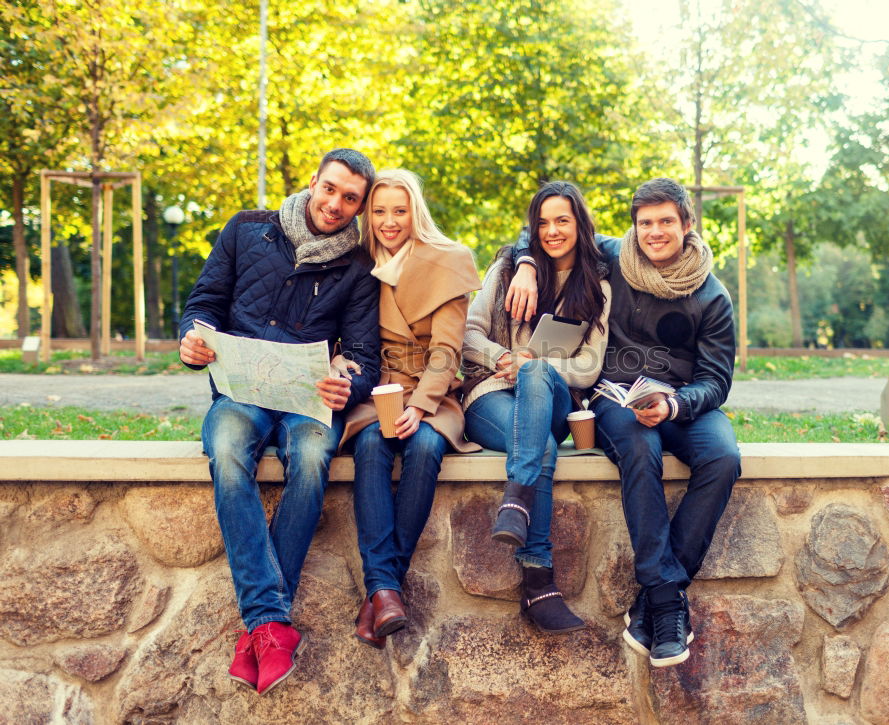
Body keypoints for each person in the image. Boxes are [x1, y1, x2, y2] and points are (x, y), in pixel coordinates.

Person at [504, 177, 740, 666]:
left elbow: (717, 381)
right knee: (638, 449)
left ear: (687, 225)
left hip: (684, 402)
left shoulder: (713, 296)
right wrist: (526, 266)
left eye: (665, 222)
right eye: (645, 223)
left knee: (723, 457)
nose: (654, 232)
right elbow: (546, 231)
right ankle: (667, 603)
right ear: (634, 227)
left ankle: (656, 599)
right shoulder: (612, 256)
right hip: (615, 397)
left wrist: (674, 404)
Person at [178, 148, 381, 695]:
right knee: (224, 448)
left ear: (360, 206)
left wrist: (349, 378)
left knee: (314, 456)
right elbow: (204, 302)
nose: (335, 204)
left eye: (350, 199)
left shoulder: (360, 266)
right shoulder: (246, 229)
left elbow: (363, 353)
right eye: (330, 189)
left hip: (307, 401)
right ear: (313, 182)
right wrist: (192, 337)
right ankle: (271, 623)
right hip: (240, 391)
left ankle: (262, 627)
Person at [462, 181, 612, 633]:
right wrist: (504, 359)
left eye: (562, 220)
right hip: (489, 394)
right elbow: (467, 337)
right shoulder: (508, 268)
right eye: (543, 222)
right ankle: (538, 581)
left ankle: (517, 500)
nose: (552, 231)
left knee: (535, 375)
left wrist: (536, 365)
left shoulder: (598, 284)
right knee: (542, 448)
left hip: (553, 397)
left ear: (579, 225)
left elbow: (588, 368)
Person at [340, 169, 481, 649]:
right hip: (379, 387)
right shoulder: (359, 264)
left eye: (399, 210)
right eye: (379, 211)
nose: (388, 221)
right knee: (372, 446)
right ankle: (387, 592)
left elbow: (447, 350)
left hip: (433, 390)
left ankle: (381, 588)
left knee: (423, 447)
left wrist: (421, 406)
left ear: (415, 212)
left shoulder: (449, 260)